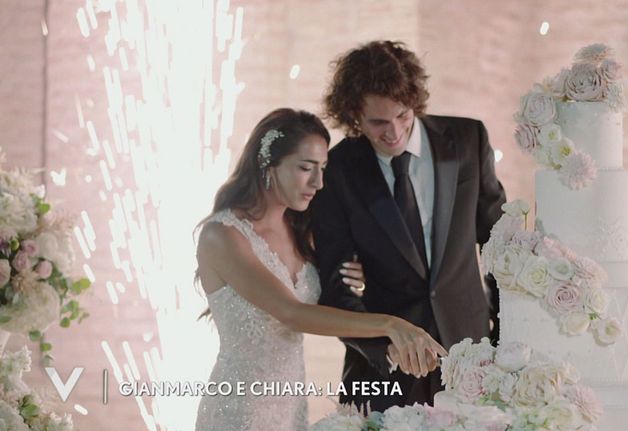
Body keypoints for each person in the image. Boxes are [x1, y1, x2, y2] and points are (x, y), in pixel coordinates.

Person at [193, 108, 446, 431]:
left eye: (323, 168)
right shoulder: (222, 235)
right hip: (239, 408)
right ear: (267, 162)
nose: (318, 182)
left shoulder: (304, 231)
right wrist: (391, 325)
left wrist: (361, 280)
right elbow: (292, 312)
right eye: (305, 168)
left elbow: (332, 295)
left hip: (292, 405)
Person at [311, 40, 507, 411]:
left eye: (403, 116)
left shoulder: (468, 140)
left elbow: (501, 245)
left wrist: (506, 337)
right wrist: (384, 347)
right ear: (353, 115)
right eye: (378, 123)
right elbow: (336, 286)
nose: (394, 132)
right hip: (383, 375)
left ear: (414, 101)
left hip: (474, 359)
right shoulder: (337, 170)